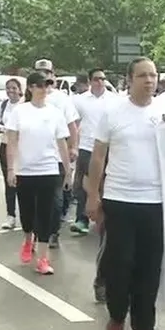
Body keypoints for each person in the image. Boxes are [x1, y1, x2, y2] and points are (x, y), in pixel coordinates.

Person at [85, 57, 165, 330]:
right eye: (143, 76)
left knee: (149, 267)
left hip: (155, 201)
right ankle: (117, 315)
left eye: (153, 75)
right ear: (129, 80)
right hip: (119, 200)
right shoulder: (113, 113)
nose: (149, 81)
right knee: (120, 263)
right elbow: (98, 156)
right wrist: (93, 196)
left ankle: (144, 328)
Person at [4, 72, 72, 275]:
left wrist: (68, 170)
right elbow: (12, 142)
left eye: (47, 86)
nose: (44, 90)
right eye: (40, 86)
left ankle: (43, 258)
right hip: (25, 170)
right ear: (31, 88)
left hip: (48, 170)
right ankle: (27, 239)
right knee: (27, 213)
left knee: (46, 214)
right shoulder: (20, 111)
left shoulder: (55, 113)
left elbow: (62, 143)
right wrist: (11, 168)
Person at [33, 59, 79, 249]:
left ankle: (53, 231)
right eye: (40, 73)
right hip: (34, 157)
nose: (44, 76)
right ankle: (37, 232)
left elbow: (72, 126)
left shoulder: (62, 99)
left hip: (58, 156)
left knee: (57, 199)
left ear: (53, 75)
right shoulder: (29, 98)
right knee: (36, 199)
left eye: (47, 73)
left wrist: (73, 147)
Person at [71, 68, 113, 235]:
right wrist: (73, 146)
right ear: (89, 81)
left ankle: (104, 218)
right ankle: (82, 219)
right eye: (96, 79)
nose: (100, 82)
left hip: (108, 148)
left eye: (102, 79)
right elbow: (74, 125)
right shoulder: (79, 101)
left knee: (105, 184)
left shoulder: (114, 100)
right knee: (85, 184)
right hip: (86, 147)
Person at [0, 78, 24, 229]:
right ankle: (10, 215)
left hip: (22, 147)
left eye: (14, 88)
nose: (11, 91)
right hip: (5, 145)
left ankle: (26, 215)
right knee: (9, 181)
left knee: (23, 181)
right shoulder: (4, 105)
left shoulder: (25, 105)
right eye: (8, 88)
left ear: (20, 90)